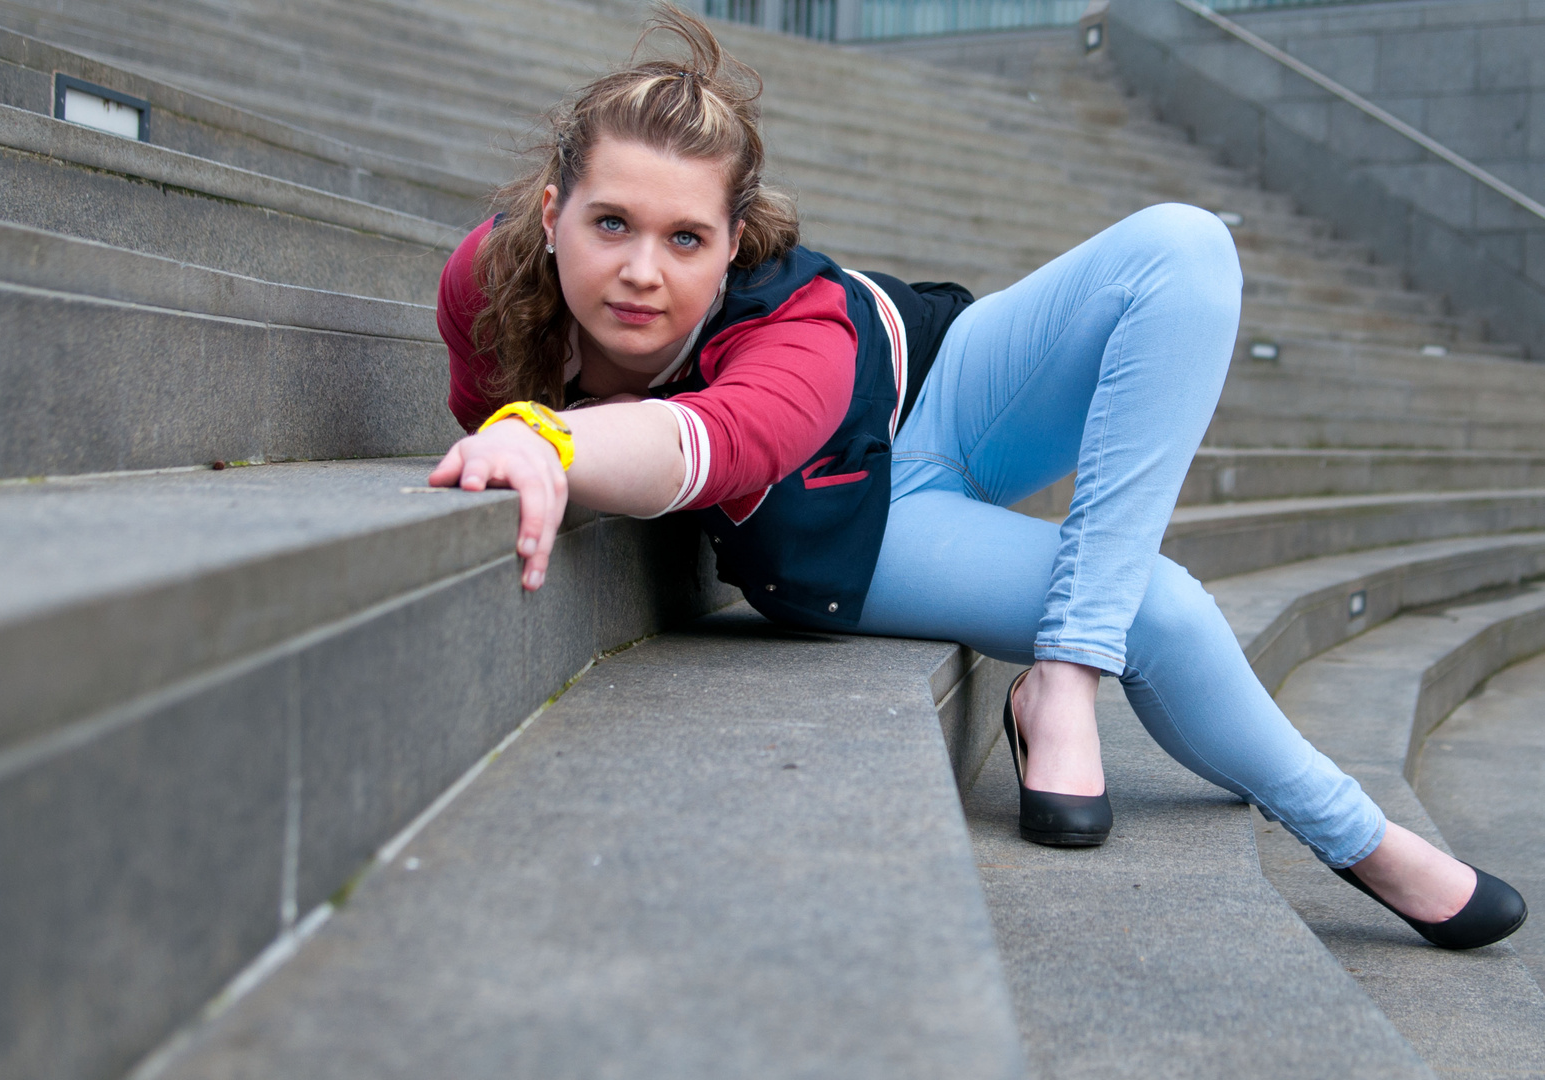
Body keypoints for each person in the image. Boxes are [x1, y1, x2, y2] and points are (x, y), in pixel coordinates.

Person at [427, 5, 1525, 950]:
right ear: (552, 207)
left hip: (948, 387)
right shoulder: (484, 285)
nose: (639, 272)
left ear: (733, 243)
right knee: (1171, 612)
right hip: (861, 526)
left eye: (685, 238)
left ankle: (1068, 673)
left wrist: (548, 438)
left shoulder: (795, 326)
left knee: (1184, 248)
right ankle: (1363, 838)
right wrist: (539, 431)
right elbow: (685, 452)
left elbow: (715, 433)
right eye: (611, 222)